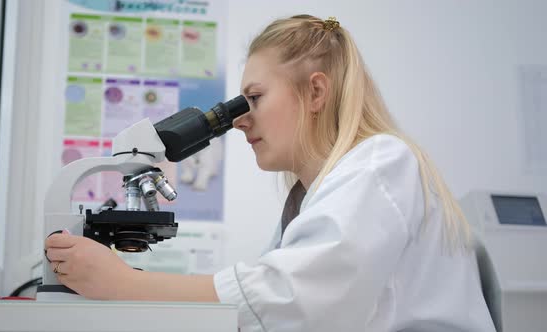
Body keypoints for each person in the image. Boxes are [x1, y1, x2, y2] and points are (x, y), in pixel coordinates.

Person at [45, 15, 496, 332]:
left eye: (253, 98)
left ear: (316, 91)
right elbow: (265, 304)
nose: (239, 119)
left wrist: (124, 284)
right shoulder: (313, 197)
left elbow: (286, 300)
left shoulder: (381, 163)